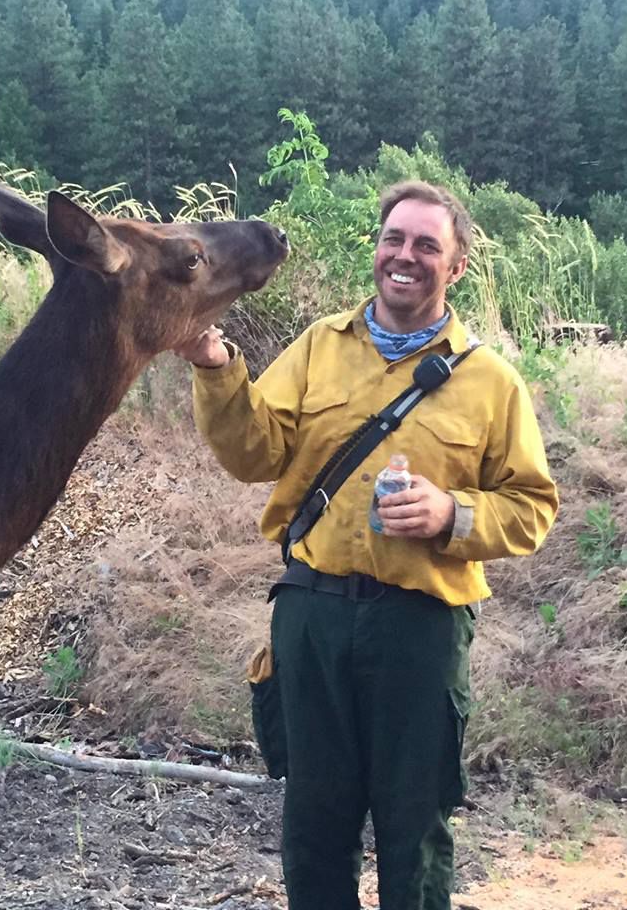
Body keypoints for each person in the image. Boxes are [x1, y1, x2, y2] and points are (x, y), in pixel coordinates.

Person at [177, 181, 558, 910]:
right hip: (313, 616)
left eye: (426, 245)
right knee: (314, 826)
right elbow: (254, 454)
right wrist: (215, 365)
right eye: (394, 239)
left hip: (420, 627)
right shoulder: (321, 346)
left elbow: (533, 508)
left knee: (415, 832)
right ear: (377, 248)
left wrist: (452, 513)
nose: (404, 256)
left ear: (457, 267)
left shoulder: (490, 382)